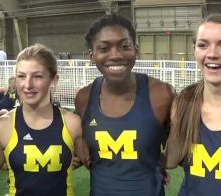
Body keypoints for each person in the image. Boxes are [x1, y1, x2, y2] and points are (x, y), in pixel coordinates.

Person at [74, 14, 175, 195]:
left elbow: (177, 146)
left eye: (124, 46)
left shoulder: (162, 94)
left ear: (136, 49)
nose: (116, 55)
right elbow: (80, 139)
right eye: (104, 48)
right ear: (92, 55)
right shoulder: (84, 98)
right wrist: (80, 151)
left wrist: (155, 161)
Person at [164, 14, 221, 196]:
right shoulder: (183, 101)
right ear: (195, 50)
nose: (212, 54)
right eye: (203, 45)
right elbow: (171, 159)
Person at [0, 43, 84, 195]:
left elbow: (96, 165)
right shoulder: (2, 126)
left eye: (37, 76)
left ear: (53, 80)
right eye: (21, 76)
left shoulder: (73, 123)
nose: (27, 85)